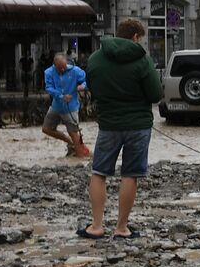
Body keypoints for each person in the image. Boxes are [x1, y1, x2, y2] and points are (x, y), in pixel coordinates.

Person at [78, 18, 162, 240]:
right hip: (138, 126)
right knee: (130, 174)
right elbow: (155, 94)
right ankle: (122, 228)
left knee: (99, 172)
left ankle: (96, 226)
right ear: (135, 37)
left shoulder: (96, 58)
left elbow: (92, 87)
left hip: (109, 124)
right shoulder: (142, 60)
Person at [42, 52, 89, 158]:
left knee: (73, 132)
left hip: (71, 107)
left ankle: (80, 157)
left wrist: (82, 86)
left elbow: (87, 81)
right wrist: (60, 96)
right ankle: (70, 143)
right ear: (55, 66)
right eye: (59, 68)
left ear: (66, 63)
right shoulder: (49, 72)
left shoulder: (75, 71)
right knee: (46, 128)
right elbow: (49, 88)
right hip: (56, 106)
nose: (62, 70)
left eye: (63, 67)